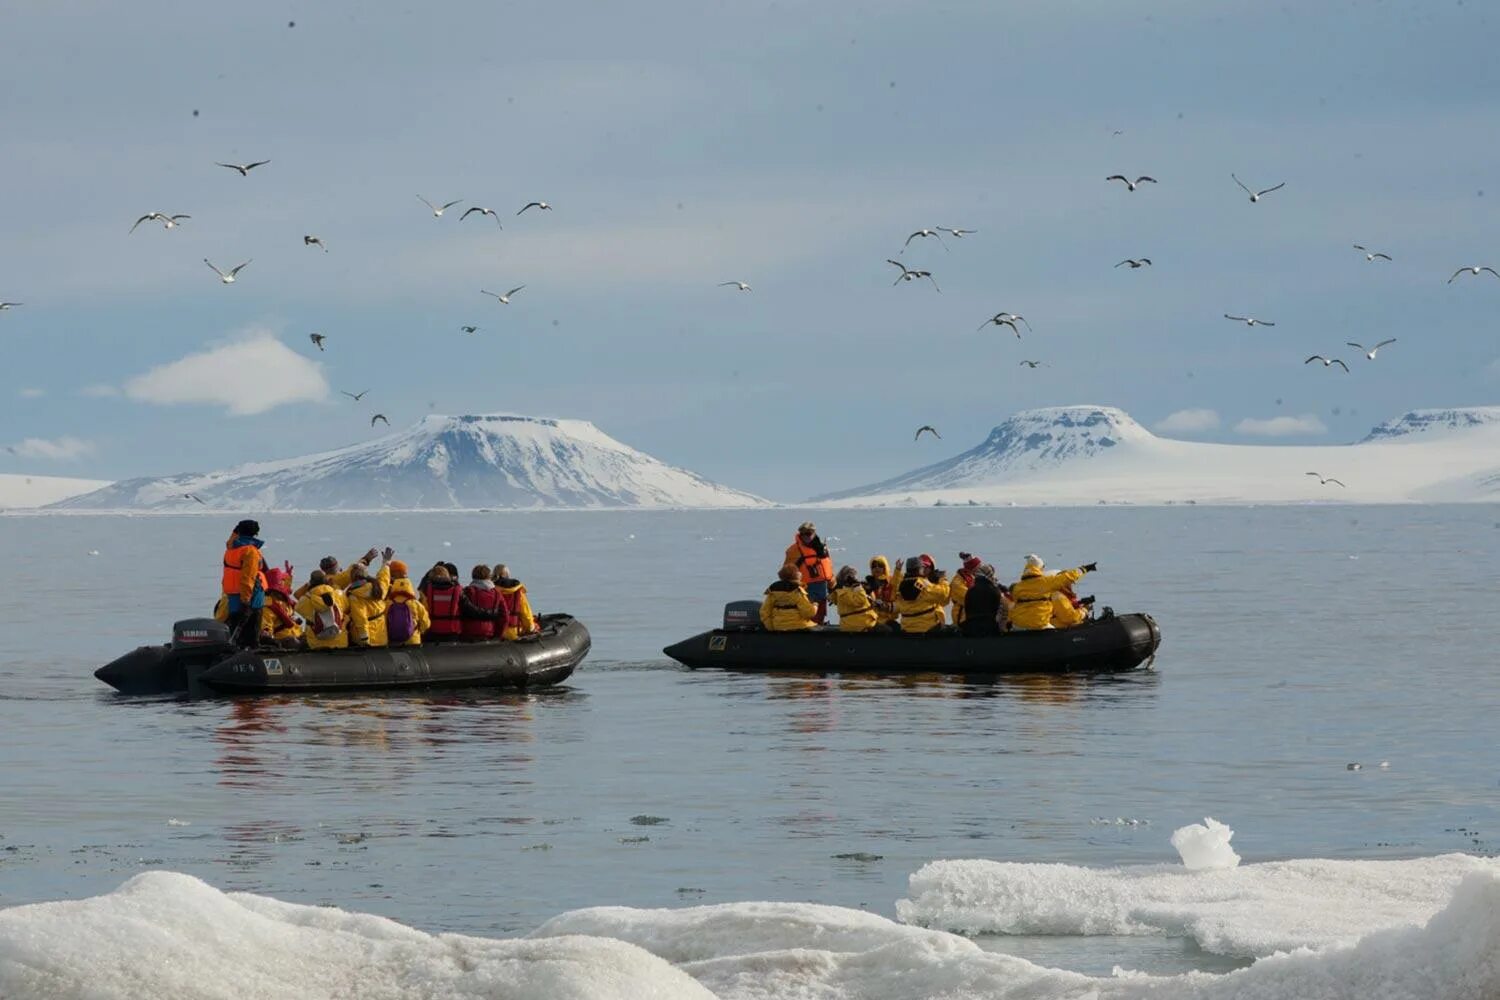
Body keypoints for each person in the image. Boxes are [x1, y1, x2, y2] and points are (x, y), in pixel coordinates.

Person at [1008, 554, 1096, 630]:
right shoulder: (1047, 583)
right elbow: (1067, 577)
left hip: (1018, 624)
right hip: (1038, 624)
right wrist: (1084, 569)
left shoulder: (1017, 587)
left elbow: (1020, 603)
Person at [221, 519, 268, 648]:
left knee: (235, 623)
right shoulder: (250, 551)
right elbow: (248, 577)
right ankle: (252, 649)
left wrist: (235, 531)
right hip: (250, 595)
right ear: (255, 534)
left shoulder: (232, 548)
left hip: (232, 592)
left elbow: (231, 539)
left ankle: (233, 647)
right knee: (252, 626)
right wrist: (246, 599)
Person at [785, 521, 835, 625]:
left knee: (820, 614)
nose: (806, 536)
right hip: (805, 588)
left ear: (814, 533)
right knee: (808, 614)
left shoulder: (821, 548)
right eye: (803, 534)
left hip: (822, 586)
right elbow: (787, 570)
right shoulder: (793, 550)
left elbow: (828, 567)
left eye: (809, 533)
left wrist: (832, 584)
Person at [345, 549, 394, 647]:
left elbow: (360, 618)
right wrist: (386, 563)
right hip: (381, 631)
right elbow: (384, 578)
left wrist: (364, 638)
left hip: (367, 636)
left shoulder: (354, 596)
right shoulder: (377, 588)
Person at [294, 569, 349, 650]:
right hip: (340, 641)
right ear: (325, 580)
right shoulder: (338, 594)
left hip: (316, 644)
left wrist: (307, 586)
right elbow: (347, 607)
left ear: (311, 582)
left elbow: (296, 597)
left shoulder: (304, 601)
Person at [895, 556, 950, 633]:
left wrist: (897, 571)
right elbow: (943, 594)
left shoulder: (901, 585)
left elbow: (895, 585)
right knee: (953, 630)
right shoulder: (924, 584)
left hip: (907, 628)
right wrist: (943, 579)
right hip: (926, 628)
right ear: (919, 569)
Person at [294, 549, 380, 598]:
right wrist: (366, 559)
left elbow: (296, 595)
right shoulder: (337, 579)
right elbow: (354, 569)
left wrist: (309, 584)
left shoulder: (317, 582)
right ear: (336, 566)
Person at [384, 561, 432, 646]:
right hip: (413, 641)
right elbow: (426, 624)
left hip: (393, 641)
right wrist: (418, 631)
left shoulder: (387, 603)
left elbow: (383, 622)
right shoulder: (415, 603)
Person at [760, 564, 818, 631]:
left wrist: (771, 627)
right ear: (796, 575)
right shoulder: (798, 591)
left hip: (778, 626)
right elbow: (809, 613)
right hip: (799, 626)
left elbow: (764, 612)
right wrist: (815, 605)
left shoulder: (773, 592)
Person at [260, 564, 303, 646]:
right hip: (284, 639)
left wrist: (289, 575)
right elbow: (266, 627)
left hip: (297, 633)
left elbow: (287, 585)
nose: (284, 584)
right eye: (282, 581)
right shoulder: (267, 608)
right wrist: (266, 633)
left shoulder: (284, 601)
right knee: (293, 641)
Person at [491, 564, 538, 639]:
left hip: (494, 632)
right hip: (513, 632)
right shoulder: (518, 592)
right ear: (507, 575)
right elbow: (526, 614)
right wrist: (531, 629)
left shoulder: (490, 591)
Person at [419, 564, 464, 641]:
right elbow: (466, 608)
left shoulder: (427, 590)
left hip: (432, 630)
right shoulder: (457, 590)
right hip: (452, 631)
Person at [961, 563, 1005, 637]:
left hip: (971, 628)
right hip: (990, 628)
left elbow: (967, 609)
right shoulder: (994, 590)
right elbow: (998, 610)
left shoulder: (970, 591)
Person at [461, 564, 503, 640]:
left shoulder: (467, 591)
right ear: (489, 577)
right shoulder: (497, 593)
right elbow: (504, 615)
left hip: (469, 632)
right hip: (490, 632)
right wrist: (498, 635)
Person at [832, 565, 879, 632]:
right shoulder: (843, 592)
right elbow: (861, 600)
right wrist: (858, 586)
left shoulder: (847, 590)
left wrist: (870, 591)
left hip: (860, 622)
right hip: (859, 625)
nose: (856, 579)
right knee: (887, 630)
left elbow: (872, 603)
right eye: (853, 576)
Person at [949, 553, 982, 627]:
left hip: (971, 615)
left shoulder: (973, 578)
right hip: (962, 616)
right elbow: (968, 597)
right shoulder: (957, 581)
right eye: (979, 566)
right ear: (972, 567)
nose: (981, 568)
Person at [864, 556, 897, 626]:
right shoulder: (867, 584)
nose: (877, 568)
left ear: (885, 567)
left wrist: (898, 570)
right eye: (874, 566)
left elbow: (897, 586)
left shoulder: (891, 582)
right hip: (872, 621)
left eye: (880, 566)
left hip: (889, 619)